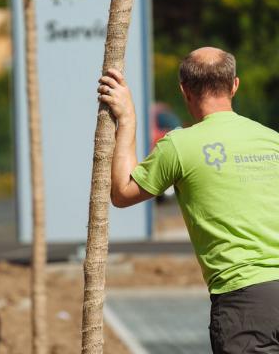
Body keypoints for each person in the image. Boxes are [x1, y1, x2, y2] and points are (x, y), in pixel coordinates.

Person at [97, 46, 279, 353]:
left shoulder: (179, 146)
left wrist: (127, 119)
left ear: (184, 90)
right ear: (235, 85)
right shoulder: (272, 140)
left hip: (245, 300)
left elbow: (122, 192)